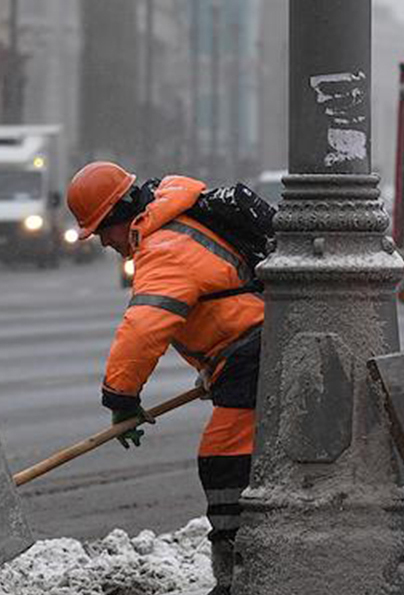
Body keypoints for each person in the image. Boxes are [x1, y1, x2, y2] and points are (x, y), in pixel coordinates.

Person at [67, 161, 262, 595]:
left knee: (224, 460)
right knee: (244, 460)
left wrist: (120, 398)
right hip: (249, 352)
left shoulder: (164, 248)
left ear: (121, 216)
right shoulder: (174, 214)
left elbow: (143, 329)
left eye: (102, 231)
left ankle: (240, 579)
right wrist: (215, 365)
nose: (104, 243)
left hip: (255, 353)